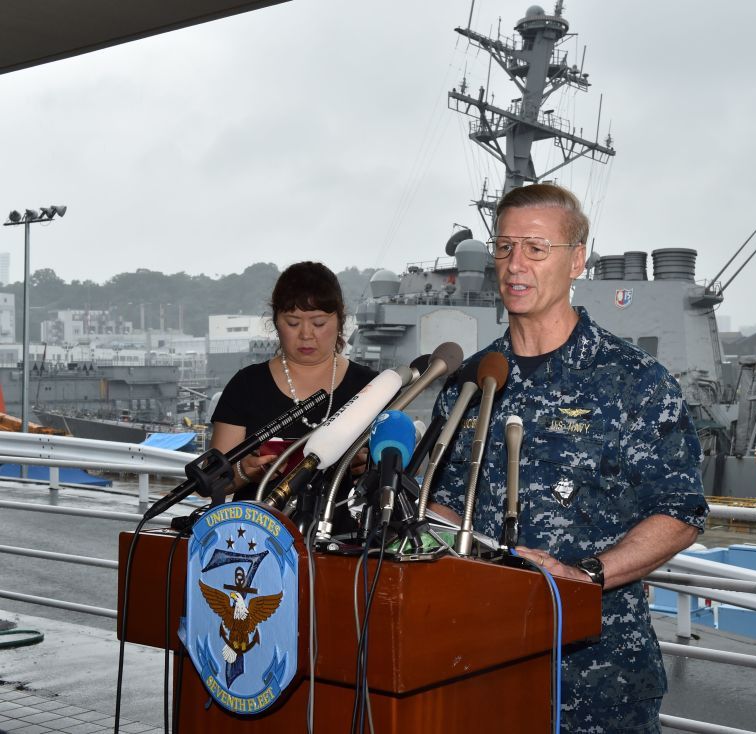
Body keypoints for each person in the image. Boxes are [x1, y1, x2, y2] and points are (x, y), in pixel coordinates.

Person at [428, 184, 709, 733]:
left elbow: (680, 512)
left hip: (597, 676)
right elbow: (440, 502)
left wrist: (581, 576)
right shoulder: (470, 384)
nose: (516, 265)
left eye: (536, 249)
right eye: (505, 247)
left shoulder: (634, 382)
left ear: (577, 259)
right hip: (480, 666)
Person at [211, 261, 377, 501]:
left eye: (318, 323)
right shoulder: (247, 385)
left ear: (340, 321)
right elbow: (211, 481)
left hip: (342, 535)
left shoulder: (371, 388)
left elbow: (397, 473)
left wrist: (369, 468)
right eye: (293, 323)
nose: (306, 334)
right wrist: (244, 471)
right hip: (257, 534)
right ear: (276, 323)